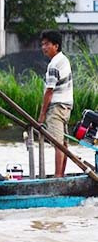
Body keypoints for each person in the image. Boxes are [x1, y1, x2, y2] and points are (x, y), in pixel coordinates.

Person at [37, 30, 73, 178]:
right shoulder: (63, 59)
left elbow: (49, 92)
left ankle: (58, 177)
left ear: (56, 46)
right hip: (66, 107)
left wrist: (42, 114)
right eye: (42, 44)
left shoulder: (54, 65)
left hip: (56, 108)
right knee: (63, 144)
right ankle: (61, 176)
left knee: (57, 143)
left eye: (47, 44)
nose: (43, 47)